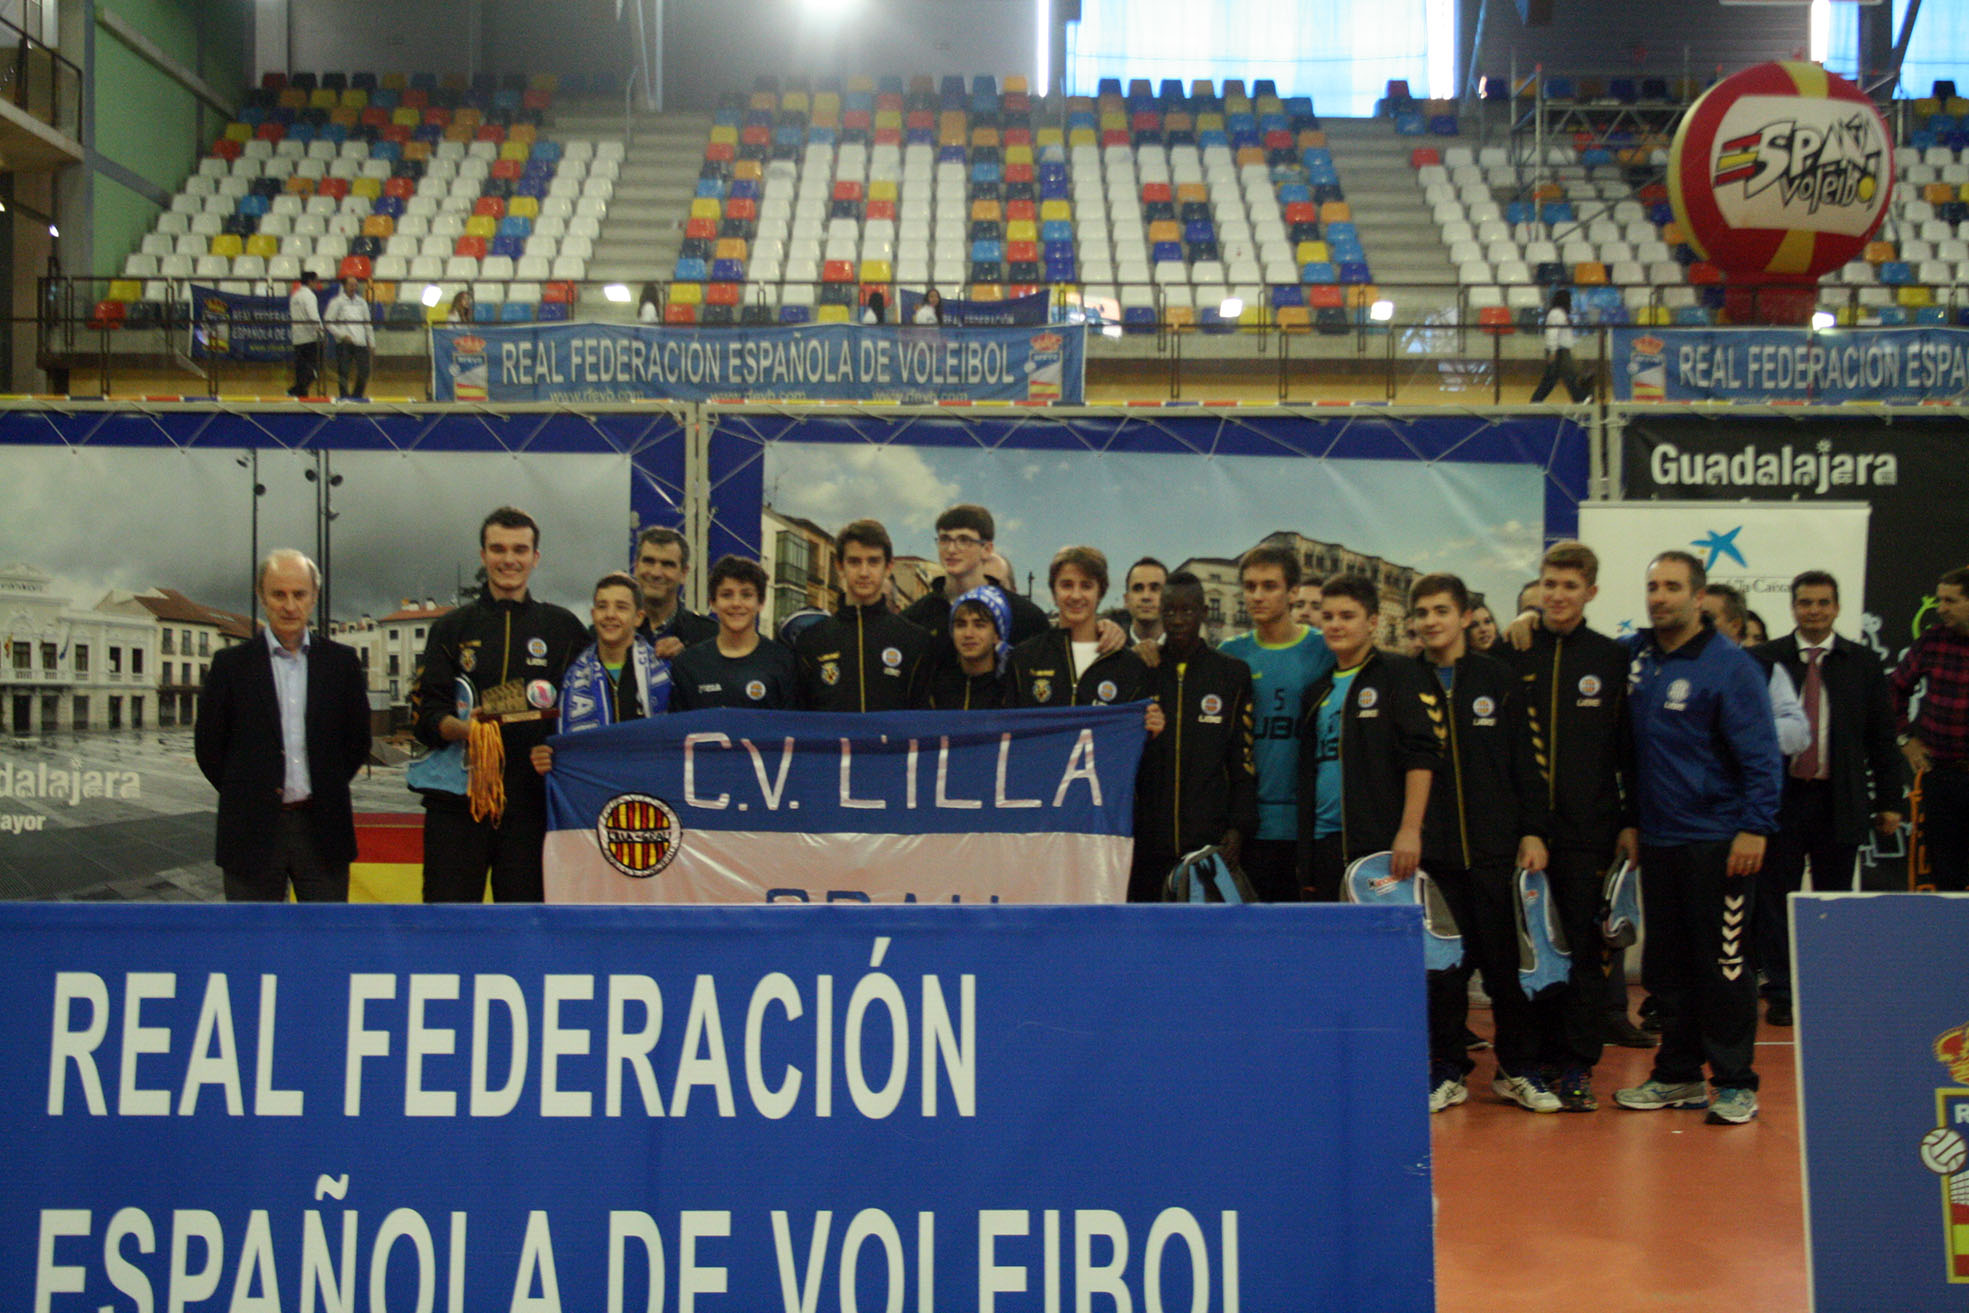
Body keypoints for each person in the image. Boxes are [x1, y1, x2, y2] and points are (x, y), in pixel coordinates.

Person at [1612, 550, 1782, 1126]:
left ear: (1699, 596)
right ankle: (1678, 1075)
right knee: (1667, 968)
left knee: (1725, 966)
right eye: (1652, 586)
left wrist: (1755, 827)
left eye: (1672, 587)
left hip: (1720, 841)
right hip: (1660, 840)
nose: (1659, 596)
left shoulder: (1730, 665)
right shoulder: (1638, 656)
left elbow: (1762, 756)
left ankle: (1735, 1083)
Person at [1498, 542, 1653, 1090]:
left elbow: (1627, 748)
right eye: (1550, 584)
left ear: (1591, 592)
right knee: (1530, 949)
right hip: (1521, 833)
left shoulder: (1611, 657)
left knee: (1584, 953)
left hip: (1590, 831)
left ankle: (1576, 1064)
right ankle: (1529, 1060)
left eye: (1570, 586)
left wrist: (1629, 820)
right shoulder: (1511, 650)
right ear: (1537, 588)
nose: (1558, 595)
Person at [1409, 573, 1551, 1113]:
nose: (1431, 621)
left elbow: (1529, 761)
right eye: (1422, 612)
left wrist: (1533, 830)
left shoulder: (1499, 678)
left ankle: (1517, 1070)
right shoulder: (1404, 680)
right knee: (1443, 975)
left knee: (1507, 969)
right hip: (1433, 859)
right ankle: (1447, 1071)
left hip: (1496, 853)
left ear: (1465, 616)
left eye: (1441, 610)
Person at [411, 507, 589, 903]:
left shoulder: (563, 629)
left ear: (535, 557)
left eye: (519, 550)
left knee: (525, 927)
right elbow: (426, 716)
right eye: (498, 549)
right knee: (450, 925)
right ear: (483, 555)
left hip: (531, 807)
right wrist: (461, 729)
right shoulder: (450, 628)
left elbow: (589, 710)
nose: (509, 559)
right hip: (458, 806)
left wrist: (557, 751)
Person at [1752, 570, 1902, 1024]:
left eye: (1822, 602)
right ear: (1793, 607)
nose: (1814, 611)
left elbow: (1882, 737)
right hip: (1780, 798)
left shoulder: (1863, 662)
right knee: (1775, 897)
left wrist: (1889, 801)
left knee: (1833, 897)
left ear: (1836, 607)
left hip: (1840, 797)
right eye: (1805, 602)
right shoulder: (1765, 658)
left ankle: (1828, 985)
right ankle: (1781, 990)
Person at [194, 549, 371, 902]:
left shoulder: (342, 664)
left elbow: (357, 741)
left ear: (314, 597)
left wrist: (325, 785)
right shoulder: (230, 666)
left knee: (324, 933)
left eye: (299, 594)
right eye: (278, 594)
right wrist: (248, 793)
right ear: (262, 597)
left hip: (323, 831)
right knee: (255, 935)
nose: (290, 606)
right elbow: (209, 748)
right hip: (250, 832)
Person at [1295, 572, 1440, 904]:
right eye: (1328, 616)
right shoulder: (1316, 691)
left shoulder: (1398, 673)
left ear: (1372, 622)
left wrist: (1409, 830)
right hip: (1325, 840)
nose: (1335, 625)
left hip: (1381, 842)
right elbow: (1308, 772)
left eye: (1347, 616)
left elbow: (1420, 755)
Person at [1131, 571, 1258, 902]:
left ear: (1203, 612)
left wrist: (1239, 827)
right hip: (1148, 844)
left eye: (1187, 611)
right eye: (1170, 611)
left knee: (1207, 932)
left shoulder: (1231, 673)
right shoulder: (1142, 669)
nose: (1177, 620)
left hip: (1209, 843)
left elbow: (1242, 757)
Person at [1221, 544, 1335, 902]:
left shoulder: (1324, 649)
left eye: (1269, 586)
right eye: (1250, 586)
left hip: (1311, 827)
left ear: (1293, 592)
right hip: (1249, 830)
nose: (1257, 596)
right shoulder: (1230, 654)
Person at [528, 572, 674, 777]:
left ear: (638, 617)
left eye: (621, 607)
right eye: (602, 606)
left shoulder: (665, 673)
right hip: (593, 791)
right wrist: (543, 755)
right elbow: (551, 741)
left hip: (651, 787)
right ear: (593, 613)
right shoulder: (568, 677)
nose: (610, 615)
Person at [794, 518, 931, 711]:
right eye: (854, 562)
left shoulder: (915, 640)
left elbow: (923, 719)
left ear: (888, 567)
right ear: (840, 566)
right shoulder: (811, 642)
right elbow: (799, 720)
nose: (864, 572)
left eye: (873, 561)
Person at [1889, 564, 1969, 892]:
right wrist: (1904, 738)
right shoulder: (1933, 640)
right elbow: (1894, 689)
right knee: (1945, 875)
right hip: (1943, 776)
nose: (1941, 608)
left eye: (1950, 601)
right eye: (1939, 600)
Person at [1006, 546, 1154, 709]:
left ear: (1100, 594)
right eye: (1067, 585)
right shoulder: (1023, 659)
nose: (1076, 595)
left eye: (1086, 586)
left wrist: (1152, 720)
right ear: (1054, 593)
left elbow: (1140, 719)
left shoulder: (1129, 666)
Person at [901, 504, 1053, 660]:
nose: (951, 549)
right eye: (944, 539)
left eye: (964, 540)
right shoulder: (914, 618)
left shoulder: (1025, 617)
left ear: (986, 549)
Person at [669, 556, 800, 710]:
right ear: (713, 603)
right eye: (726, 595)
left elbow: (792, 722)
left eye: (746, 595)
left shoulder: (783, 661)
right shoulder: (688, 664)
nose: (736, 603)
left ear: (761, 603)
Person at [1700, 582, 1810, 756]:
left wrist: (1741, 729)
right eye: (1694, 617)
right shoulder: (1674, 664)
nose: (1698, 625)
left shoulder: (1765, 670)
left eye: (1707, 618)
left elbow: (1797, 733)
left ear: (1735, 625)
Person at [633, 526, 719, 658]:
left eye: (667, 564)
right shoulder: (611, 630)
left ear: (684, 573)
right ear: (636, 567)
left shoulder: (710, 636)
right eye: (649, 561)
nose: (656, 573)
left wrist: (685, 660)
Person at [928, 585, 1012, 709]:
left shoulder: (1009, 689)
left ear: (997, 636)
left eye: (979, 625)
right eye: (960, 625)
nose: (968, 634)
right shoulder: (935, 687)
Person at [1529, 288, 1591, 404]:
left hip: (1561, 350)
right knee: (1566, 377)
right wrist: (1553, 351)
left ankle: (1536, 400)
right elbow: (1552, 332)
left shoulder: (1560, 314)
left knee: (1555, 378)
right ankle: (1581, 399)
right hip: (1559, 350)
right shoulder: (1556, 314)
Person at [323, 275, 374, 400]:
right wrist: (341, 335)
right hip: (344, 343)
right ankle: (344, 397)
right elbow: (328, 322)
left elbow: (367, 323)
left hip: (360, 342)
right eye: (351, 285)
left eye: (355, 285)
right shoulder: (336, 302)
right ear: (344, 286)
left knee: (364, 371)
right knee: (343, 372)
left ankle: (357, 396)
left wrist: (371, 342)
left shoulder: (361, 302)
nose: (353, 287)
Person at [286, 271, 325, 398]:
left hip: (298, 338)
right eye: (316, 281)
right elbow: (313, 316)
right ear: (310, 281)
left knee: (301, 372)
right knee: (313, 371)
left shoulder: (295, 296)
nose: (317, 284)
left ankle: (301, 397)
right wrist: (321, 332)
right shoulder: (309, 296)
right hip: (310, 339)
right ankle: (294, 391)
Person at [1112, 556, 1167, 645]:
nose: (1146, 596)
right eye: (1138, 589)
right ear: (1126, 599)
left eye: (1155, 589)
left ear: (1169, 598)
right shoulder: (1109, 649)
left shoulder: (1187, 648)